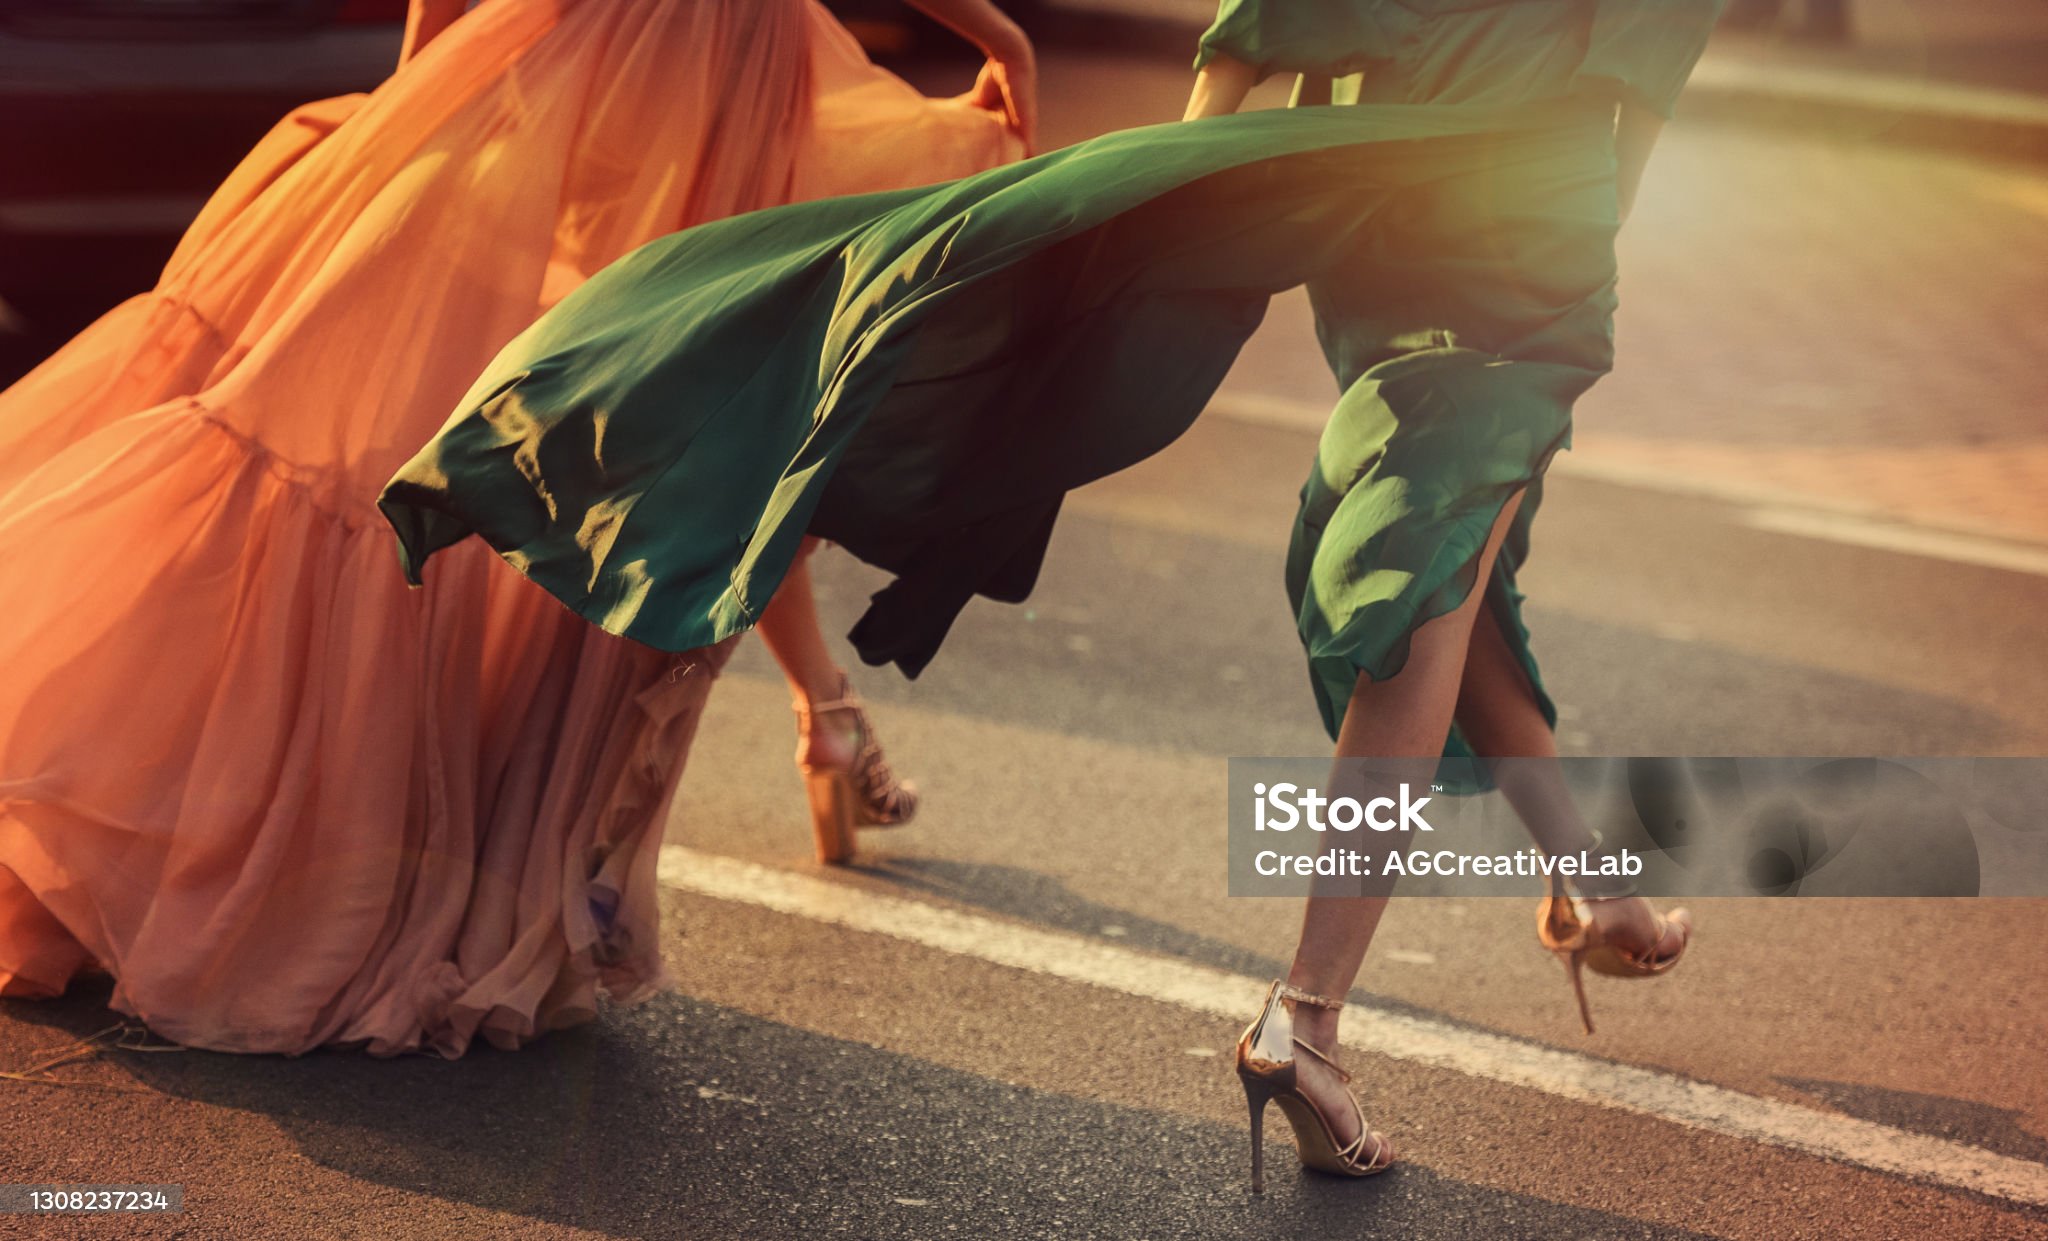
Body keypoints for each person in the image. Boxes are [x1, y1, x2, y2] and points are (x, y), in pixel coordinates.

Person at [381, 0, 1717, 1185]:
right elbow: (1629, 125)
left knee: (1453, 562)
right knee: (1427, 584)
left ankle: (1588, 882)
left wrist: (1175, 196)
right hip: (1527, 239)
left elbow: (1252, 38)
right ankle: (1306, 1023)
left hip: (1378, 229)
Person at [0, 0, 1033, 1056]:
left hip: (600, 56)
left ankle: (786, 727)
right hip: (714, 76)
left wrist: (417, 92)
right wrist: (999, 37)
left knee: (565, 430)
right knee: (661, 433)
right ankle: (504, 871)